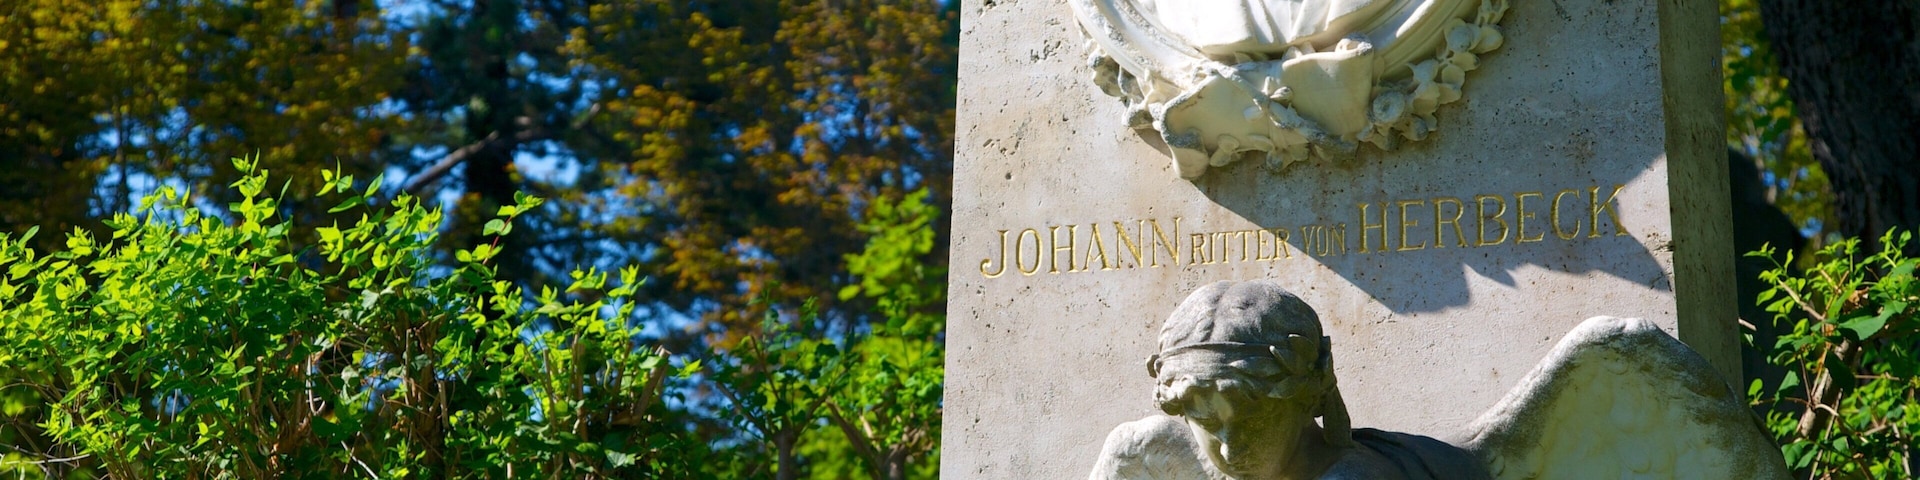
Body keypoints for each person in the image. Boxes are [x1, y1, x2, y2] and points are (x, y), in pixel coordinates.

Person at [1089, 281, 1489, 479]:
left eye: (1253, 421)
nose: (1230, 449)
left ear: (1308, 399)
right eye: (1208, 422)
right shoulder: (1148, 451)